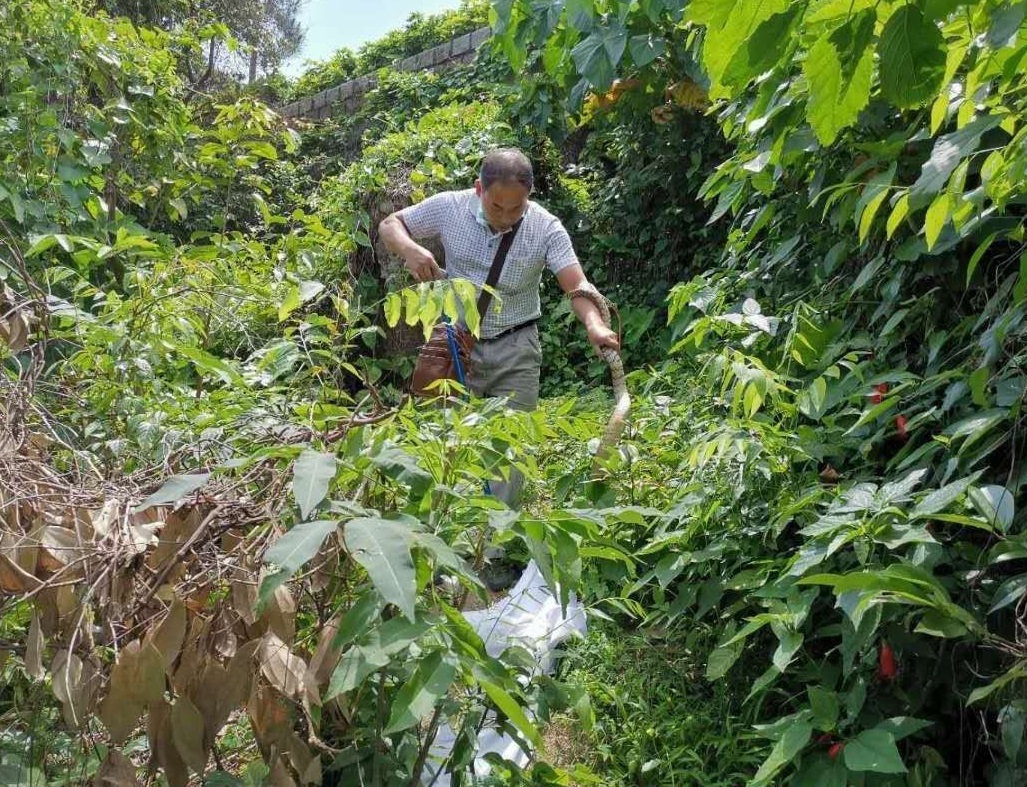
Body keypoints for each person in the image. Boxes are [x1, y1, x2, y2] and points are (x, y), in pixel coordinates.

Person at [378, 147, 619, 507]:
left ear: (530, 196)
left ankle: (494, 548)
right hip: (457, 347)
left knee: (509, 450)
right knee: (447, 442)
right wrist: (412, 250)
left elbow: (576, 286)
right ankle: (452, 537)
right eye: (496, 207)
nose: (505, 217)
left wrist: (595, 325)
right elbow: (390, 225)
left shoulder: (545, 227)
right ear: (479, 189)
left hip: (516, 349)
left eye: (515, 208)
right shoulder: (450, 207)